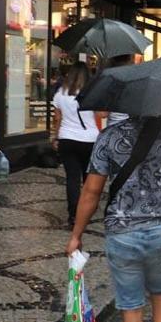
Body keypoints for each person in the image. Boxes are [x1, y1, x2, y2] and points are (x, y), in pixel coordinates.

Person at [65, 116, 161, 322]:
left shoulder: (109, 136)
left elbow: (91, 192)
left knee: (131, 307)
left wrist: (77, 235)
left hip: (123, 232)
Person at [51, 62, 99, 227]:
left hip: (67, 139)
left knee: (72, 178)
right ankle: (86, 211)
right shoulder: (92, 93)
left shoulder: (60, 94)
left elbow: (57, 119)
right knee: (88, 178)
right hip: (89, 141)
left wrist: (55, 138)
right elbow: (103, 114)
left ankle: (73, 215)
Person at [104, 54, 134, 127]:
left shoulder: (109, 81)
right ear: (130, 59)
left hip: (112, 128)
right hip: (130, 128)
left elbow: (103, 114)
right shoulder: (134, 79)